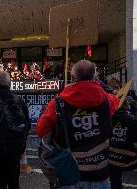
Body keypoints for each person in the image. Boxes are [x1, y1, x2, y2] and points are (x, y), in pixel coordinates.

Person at [37, 60, 120, 188]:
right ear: (95, 77)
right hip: (100, 174)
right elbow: (116, 99)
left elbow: (41, 131)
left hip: (69, 173)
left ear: (72, 78)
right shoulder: (107, 100)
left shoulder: (57, 103)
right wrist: (98, 84)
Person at [0, 70, 31, 189]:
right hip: (15, 150)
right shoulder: (19, 101)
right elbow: (27, 125)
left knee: (0, 184)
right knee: (14, 183)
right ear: (9, 83)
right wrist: (21, 145)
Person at [109, 99, 137, 189]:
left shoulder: (108, 119)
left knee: (115, 181)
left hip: (112, 158)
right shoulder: (133, 119)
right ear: (126, 106)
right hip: (130, 159)